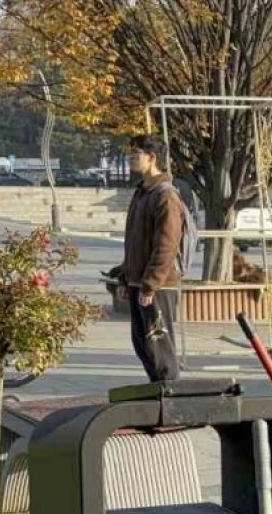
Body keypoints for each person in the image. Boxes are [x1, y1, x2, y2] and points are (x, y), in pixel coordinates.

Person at [121, 134, 186, 382]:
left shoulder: (165, 195)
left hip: (158, 285)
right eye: (131, 153)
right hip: (140, 281)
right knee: (142, 343)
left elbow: (166, 245)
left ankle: (170, 392)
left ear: (152, 158)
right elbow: (135, 241)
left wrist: (150, 282)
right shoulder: (142, 193)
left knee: (158, 345)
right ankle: (157, 389)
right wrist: (127, 276)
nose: (131, 158)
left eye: (136, 154)